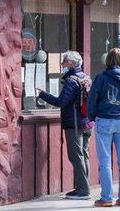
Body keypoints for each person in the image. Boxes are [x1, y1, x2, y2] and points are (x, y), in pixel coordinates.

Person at [87, 47, 120, 207]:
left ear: (108, 60)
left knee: (105, 161)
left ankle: (106, 198)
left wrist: (93, 117)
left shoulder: (101, 77)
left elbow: (91, 100)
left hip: (104, 120)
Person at [36, 50, 93, 200]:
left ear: (71, 63)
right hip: (87, 122)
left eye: (64, 62)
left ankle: (83, 190)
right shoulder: (86, 78)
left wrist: (42, 94)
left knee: (76, 156)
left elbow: (61, 102)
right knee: (83, 155)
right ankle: (83, 187)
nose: (62, 65)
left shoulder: (71, 81)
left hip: (74, 124)